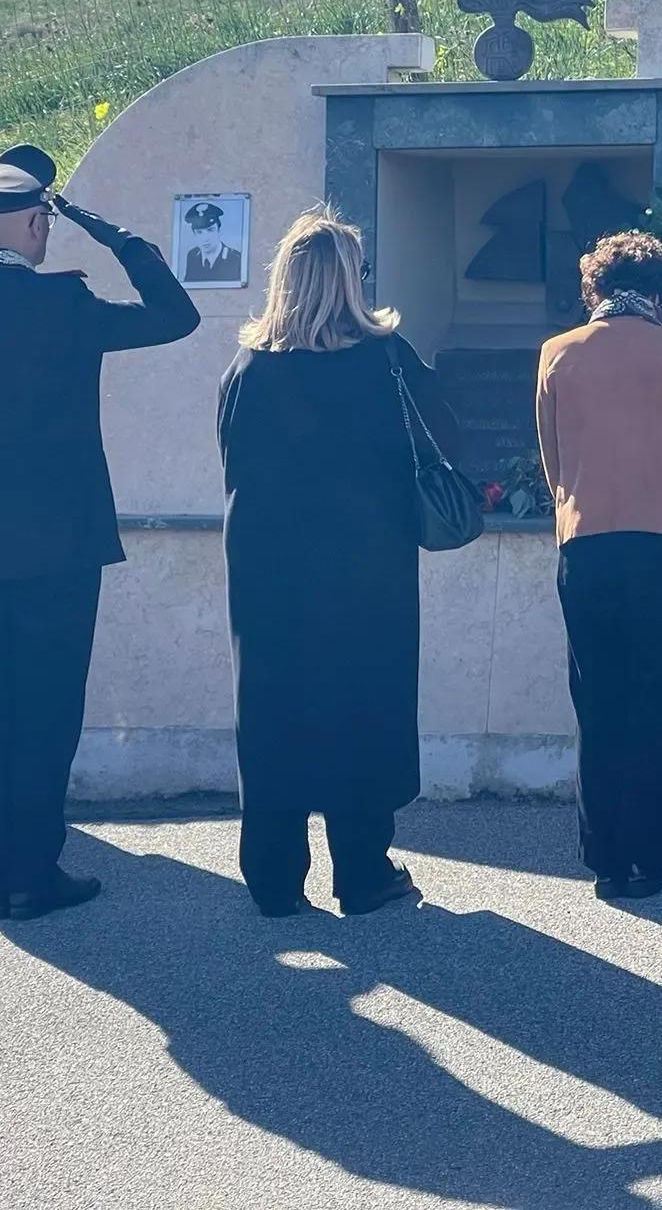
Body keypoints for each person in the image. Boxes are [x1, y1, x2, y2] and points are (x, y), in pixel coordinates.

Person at [0, 150, 200, 919]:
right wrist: (118, 237)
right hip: (60, 545)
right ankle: (35, 870)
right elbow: (176, 316)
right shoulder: (67, 304)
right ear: (36, 223)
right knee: (49, 709)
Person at [217, 206, 457, 917]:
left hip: (267, 573)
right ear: (352, 280)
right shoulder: (385, 360)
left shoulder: (248, 367)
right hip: (366, 571)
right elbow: (443, 437)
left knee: (272, 712)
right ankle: (362, 871)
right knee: (363, 707)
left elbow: (231, 459)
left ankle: (274, 880)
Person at [535, 230, 662, 899]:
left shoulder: (557, 353)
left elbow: (554, 462)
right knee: (659, 700)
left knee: (598, 698)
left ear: (597, 287)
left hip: (587, 543)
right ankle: (647, 856)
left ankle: (604, 858)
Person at [184, 201, 242, 283]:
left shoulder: (235, 258)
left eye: (210, 230)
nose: (205, 238)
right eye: (199, 232)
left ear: (219, 231)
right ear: (194, 234)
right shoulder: (192, 256)